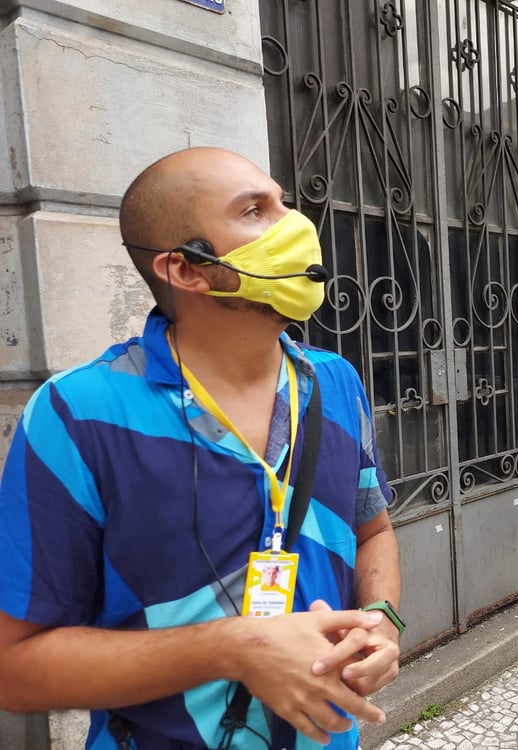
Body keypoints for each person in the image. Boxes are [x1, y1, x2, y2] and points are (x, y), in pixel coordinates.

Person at [0, 148, 403, 749]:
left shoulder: (335, 382)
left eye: (283, 204)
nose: (295, 226)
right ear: (186, 269)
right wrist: (234, 647)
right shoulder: (78, 414)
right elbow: (14, 669)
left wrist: (382, 623)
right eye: (254, 211)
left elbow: (373, 531)